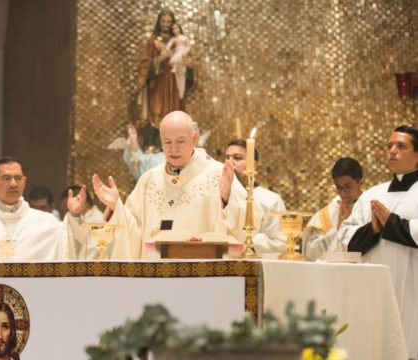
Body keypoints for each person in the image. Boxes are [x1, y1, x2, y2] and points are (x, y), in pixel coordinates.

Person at [92, 111, 247, 259]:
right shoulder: (149, 180)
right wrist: (116, 207)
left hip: (199, 276)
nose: (173, 149)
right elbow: (134, 231)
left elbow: (244, 224)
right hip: (154, 277)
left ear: (194, 138)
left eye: (180, 141)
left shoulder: (218, 175)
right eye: (167, 142)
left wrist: (227, 200)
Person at [339, 125, 418, 358]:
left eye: (401, 146)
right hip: (374, 290)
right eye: (390, 146)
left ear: (417, 155)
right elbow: (345, 235)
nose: (392, 151)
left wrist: (393, 224)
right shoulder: (372, 194)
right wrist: (372, 230)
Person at [136, 9, 188, 149]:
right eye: (163, 21)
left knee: (174, 114)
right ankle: (154, 147)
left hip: (174, 84)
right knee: (156, 113)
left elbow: (188, 67)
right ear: (159, 23)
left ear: (173, 24)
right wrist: (161, 58)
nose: (166, 24)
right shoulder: (153, 43)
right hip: (157, 85)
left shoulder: (178, 42)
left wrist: (186, 65)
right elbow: (144, 66)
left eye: (169, 22)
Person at [224, 139, 287, 253]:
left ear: (253, 165)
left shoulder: (270, 200)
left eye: (237, 158)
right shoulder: (219, 196)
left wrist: (245, 239)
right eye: (227, 158)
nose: (229, 162)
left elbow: (280, 243)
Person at [302, 157, 364, 260]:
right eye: (338, 188)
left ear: (361, 183)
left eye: (348, 187)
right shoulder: (325, 215)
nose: (343, 194)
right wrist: (337, 230)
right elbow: (310, 253)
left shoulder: (369, 208)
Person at [165, 23, 190, 99]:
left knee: (182, 75)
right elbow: (167, 47)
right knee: (178, 75)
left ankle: (175, 67)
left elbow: (188, 46)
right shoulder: (173, 39)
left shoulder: (184, 38)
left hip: (183, 54)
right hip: (177, 54)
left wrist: (185, 52)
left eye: (176, 28)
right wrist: (169, 52)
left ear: (179, 29)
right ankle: (176, 66)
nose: (175, 30)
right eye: (173, 29)